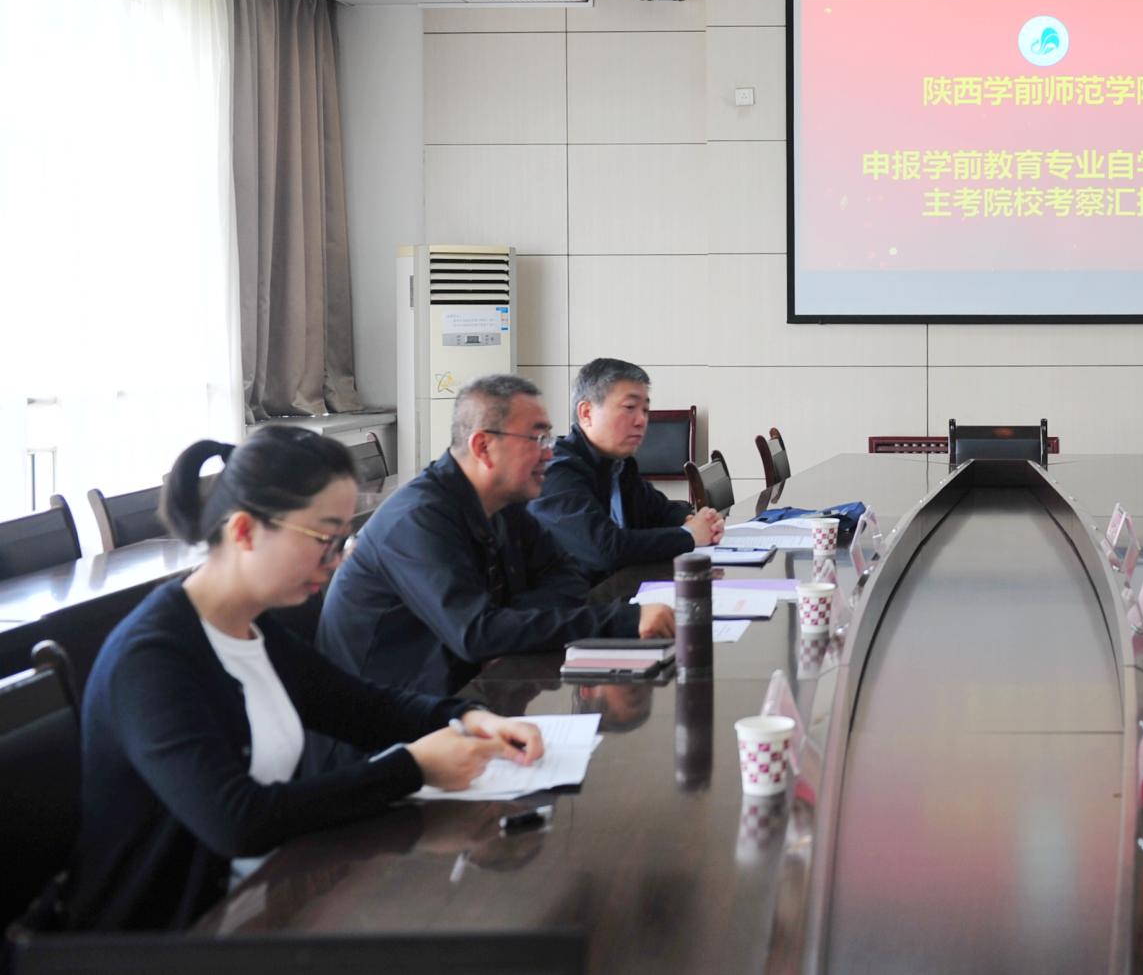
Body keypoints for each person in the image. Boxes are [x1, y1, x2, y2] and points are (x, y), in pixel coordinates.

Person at [63, 428, 543, 931]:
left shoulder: (252, 629)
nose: (335, 562)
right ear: (245, 531)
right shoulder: (151, 660)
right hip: (164, 942)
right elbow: (238, 821)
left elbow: (365, 709)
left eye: (341, 542)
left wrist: (469, 716)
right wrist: (413, 768)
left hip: (266, 905)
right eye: (324, 540)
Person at [318, 374, 673, 703]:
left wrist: (506, 628)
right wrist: (623, 620)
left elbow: (566, 575)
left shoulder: (504, 503)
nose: (549, 452)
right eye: (537, 439)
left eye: (549, 439)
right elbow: (476, 634)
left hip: (467, 693)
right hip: (385, 718)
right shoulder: (418, 519)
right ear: (483, 446)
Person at [530, 358, 725, 583]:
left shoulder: (618, 464)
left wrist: (695, 520)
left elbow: (659, 511)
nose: (642, 420)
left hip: (617, 590)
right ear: (586, 413)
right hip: (575, 599)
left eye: (645, 410)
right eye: (630, 408)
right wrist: (689, 535)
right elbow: (604, 549)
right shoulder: (556, 471)